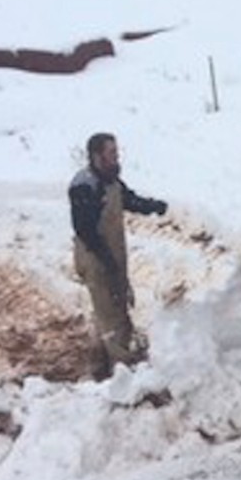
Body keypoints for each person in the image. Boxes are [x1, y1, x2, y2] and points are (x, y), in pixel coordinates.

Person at [69, 133, 167, 378]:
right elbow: (86, 231)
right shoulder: (85, 185)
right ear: (97, 155)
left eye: (116, 151)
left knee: (112, 306)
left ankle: (100, 362)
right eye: (111, 152)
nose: (117, 156)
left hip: (113, 255)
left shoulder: (111, 181)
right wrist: (107, 261)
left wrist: (153, 206)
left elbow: (129, 200)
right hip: (95, 259)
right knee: (112, 315)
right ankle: (123, 373)